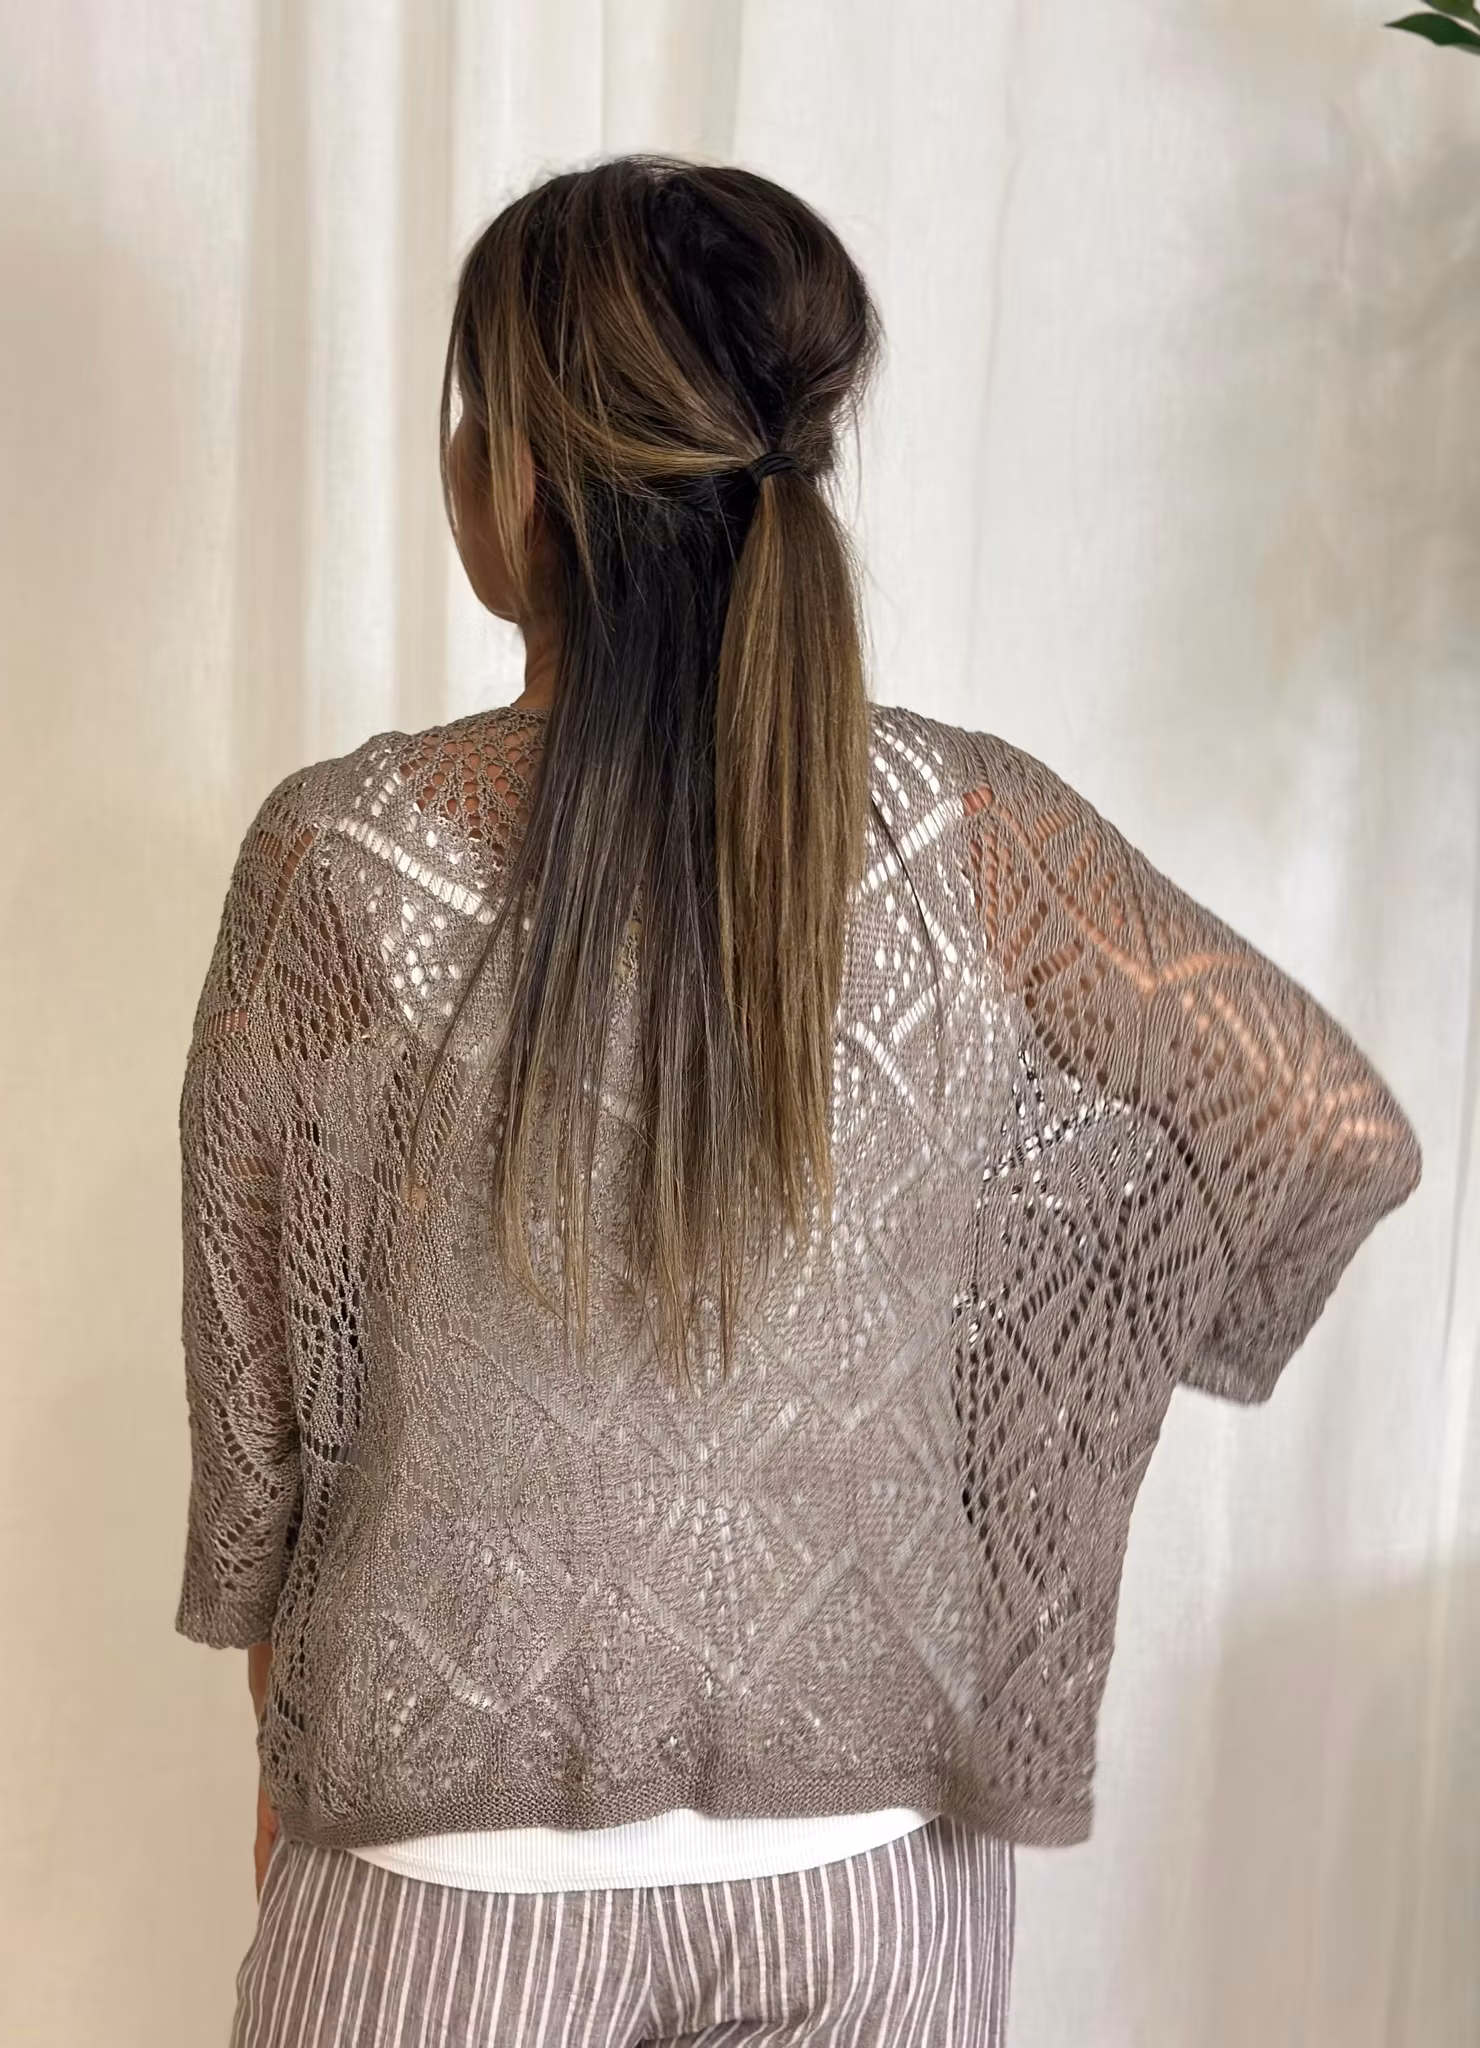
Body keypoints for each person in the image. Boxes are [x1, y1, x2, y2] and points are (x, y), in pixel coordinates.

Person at [175, 156, 1422, 2047]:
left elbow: (264, 1403)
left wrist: (288, 1747)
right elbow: (1319, 1127)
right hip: (871, 1899)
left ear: (525, 475)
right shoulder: (965, 830)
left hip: (449, 1895)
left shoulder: (343, 857)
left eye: (470, 413)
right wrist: (1002, 1373)